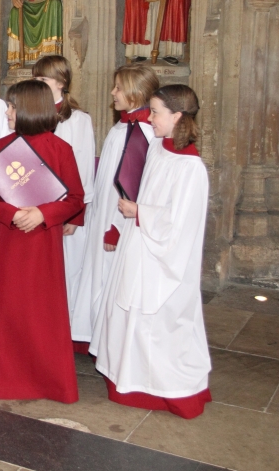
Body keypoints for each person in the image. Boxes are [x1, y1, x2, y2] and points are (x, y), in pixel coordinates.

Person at [92, 84, 211, 419]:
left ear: (177, 116)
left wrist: (139, 212)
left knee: (156, 323)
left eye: (156, 112)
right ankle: (129, 380)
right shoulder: (160, 147)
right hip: (138, 244)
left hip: (163, 258)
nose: (150, 117)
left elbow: (181, 224)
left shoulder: (190, 168)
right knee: (128, 314)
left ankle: (163, 389)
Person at [0, 80, 84, 403]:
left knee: (39, 314)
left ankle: (45, 381)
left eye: (11, 106)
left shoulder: (60, 149)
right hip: (6, 243)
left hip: (41, 243)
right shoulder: (1, 146)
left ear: (29, 109)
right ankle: (0, 379)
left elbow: (76, 199)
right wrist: (9, 213)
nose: (7, 112)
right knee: (4, 309)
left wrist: (43, 214)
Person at [85, 64, 158, 351]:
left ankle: (110, 345)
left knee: (111, 280)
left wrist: (116, 227)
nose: (113, 92)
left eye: (118, 87)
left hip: (118, 222)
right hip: (103, 214)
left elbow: (136, 187)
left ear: (136, 93)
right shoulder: (123, 125)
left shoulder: (143, 133)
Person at [32, 55, 95, 351]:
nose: (38, 84)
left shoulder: (78, 120)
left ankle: (63, 335)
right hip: (36, 211)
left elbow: (82, 169)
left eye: (43, 80)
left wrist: (74, 215)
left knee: (67, 272)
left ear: (61, 82)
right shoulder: (31, 116)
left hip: (66, 211)